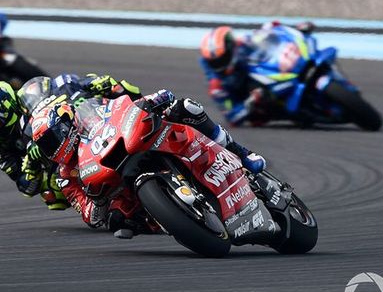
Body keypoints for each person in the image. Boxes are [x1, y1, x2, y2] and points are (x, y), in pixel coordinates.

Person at [31, 89, 267, 237]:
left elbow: (118, 108)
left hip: (133, 141)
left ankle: (242, 153)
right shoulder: (66, 176)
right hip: (122, 187)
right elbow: (90, 216)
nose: (52, 148)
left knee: (186, 107)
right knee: (117, 219)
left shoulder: (90, 114)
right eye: (46, 147)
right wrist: (97, 199)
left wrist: (152, 100)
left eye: (52, 139)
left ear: (65, 123)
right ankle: (169, 219)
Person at [0, 73, 141, 211]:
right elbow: (26, 188)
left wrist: (92, 83)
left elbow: (65, 83)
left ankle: (152, 115)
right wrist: (32, 166)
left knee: (121, 88)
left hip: (76, 128)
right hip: (53, 164)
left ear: (6, 108)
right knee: (51, 194)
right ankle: (98, 208)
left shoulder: (31, 92)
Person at [199, 21, 315, 126]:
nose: (219, 63)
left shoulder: (241, 43)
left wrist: (272, 27)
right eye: (215, 61)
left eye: (222, 58)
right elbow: (232, 117)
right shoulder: (217, 88)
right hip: (256, 98)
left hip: (265, 72)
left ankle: (302, 35)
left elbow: (264, 33)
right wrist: (251, 101)